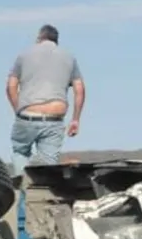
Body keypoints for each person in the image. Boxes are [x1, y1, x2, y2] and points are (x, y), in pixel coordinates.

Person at [5, 24, 86, 172]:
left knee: (20, 152)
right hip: (54, 117)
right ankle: (43, 185)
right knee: (49, 163)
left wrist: (18, 109)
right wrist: (75, 119)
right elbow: (79, 89)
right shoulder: (69, 57)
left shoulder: (24, 55)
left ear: (39, 38)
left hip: (28, 114)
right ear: (56, 40)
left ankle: (22, 181)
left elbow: (11, 86)